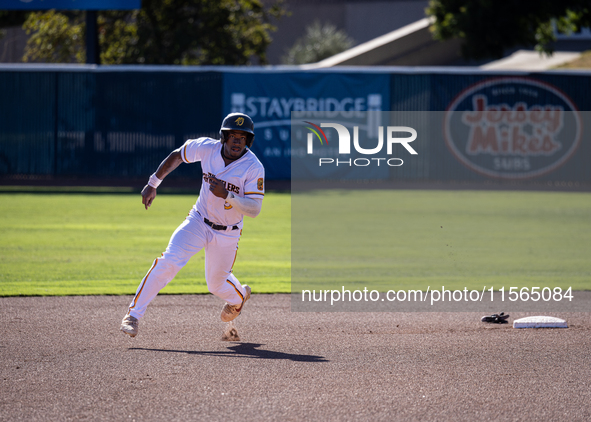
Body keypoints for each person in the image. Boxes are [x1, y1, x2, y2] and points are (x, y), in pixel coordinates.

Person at [120, 113, 265, 337]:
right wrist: (153, 183)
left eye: (243, 137)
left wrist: (227, 195)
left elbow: (254, 209)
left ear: (248, 141)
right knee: (169, 261)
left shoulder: (253, 167)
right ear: (224, 137)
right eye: (233, 136)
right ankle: (133, 315)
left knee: (215, 285)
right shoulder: (207, 148)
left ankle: (239, 297)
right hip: (198, 220)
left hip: (227, 233)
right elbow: (178, 155)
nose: (238, 141)